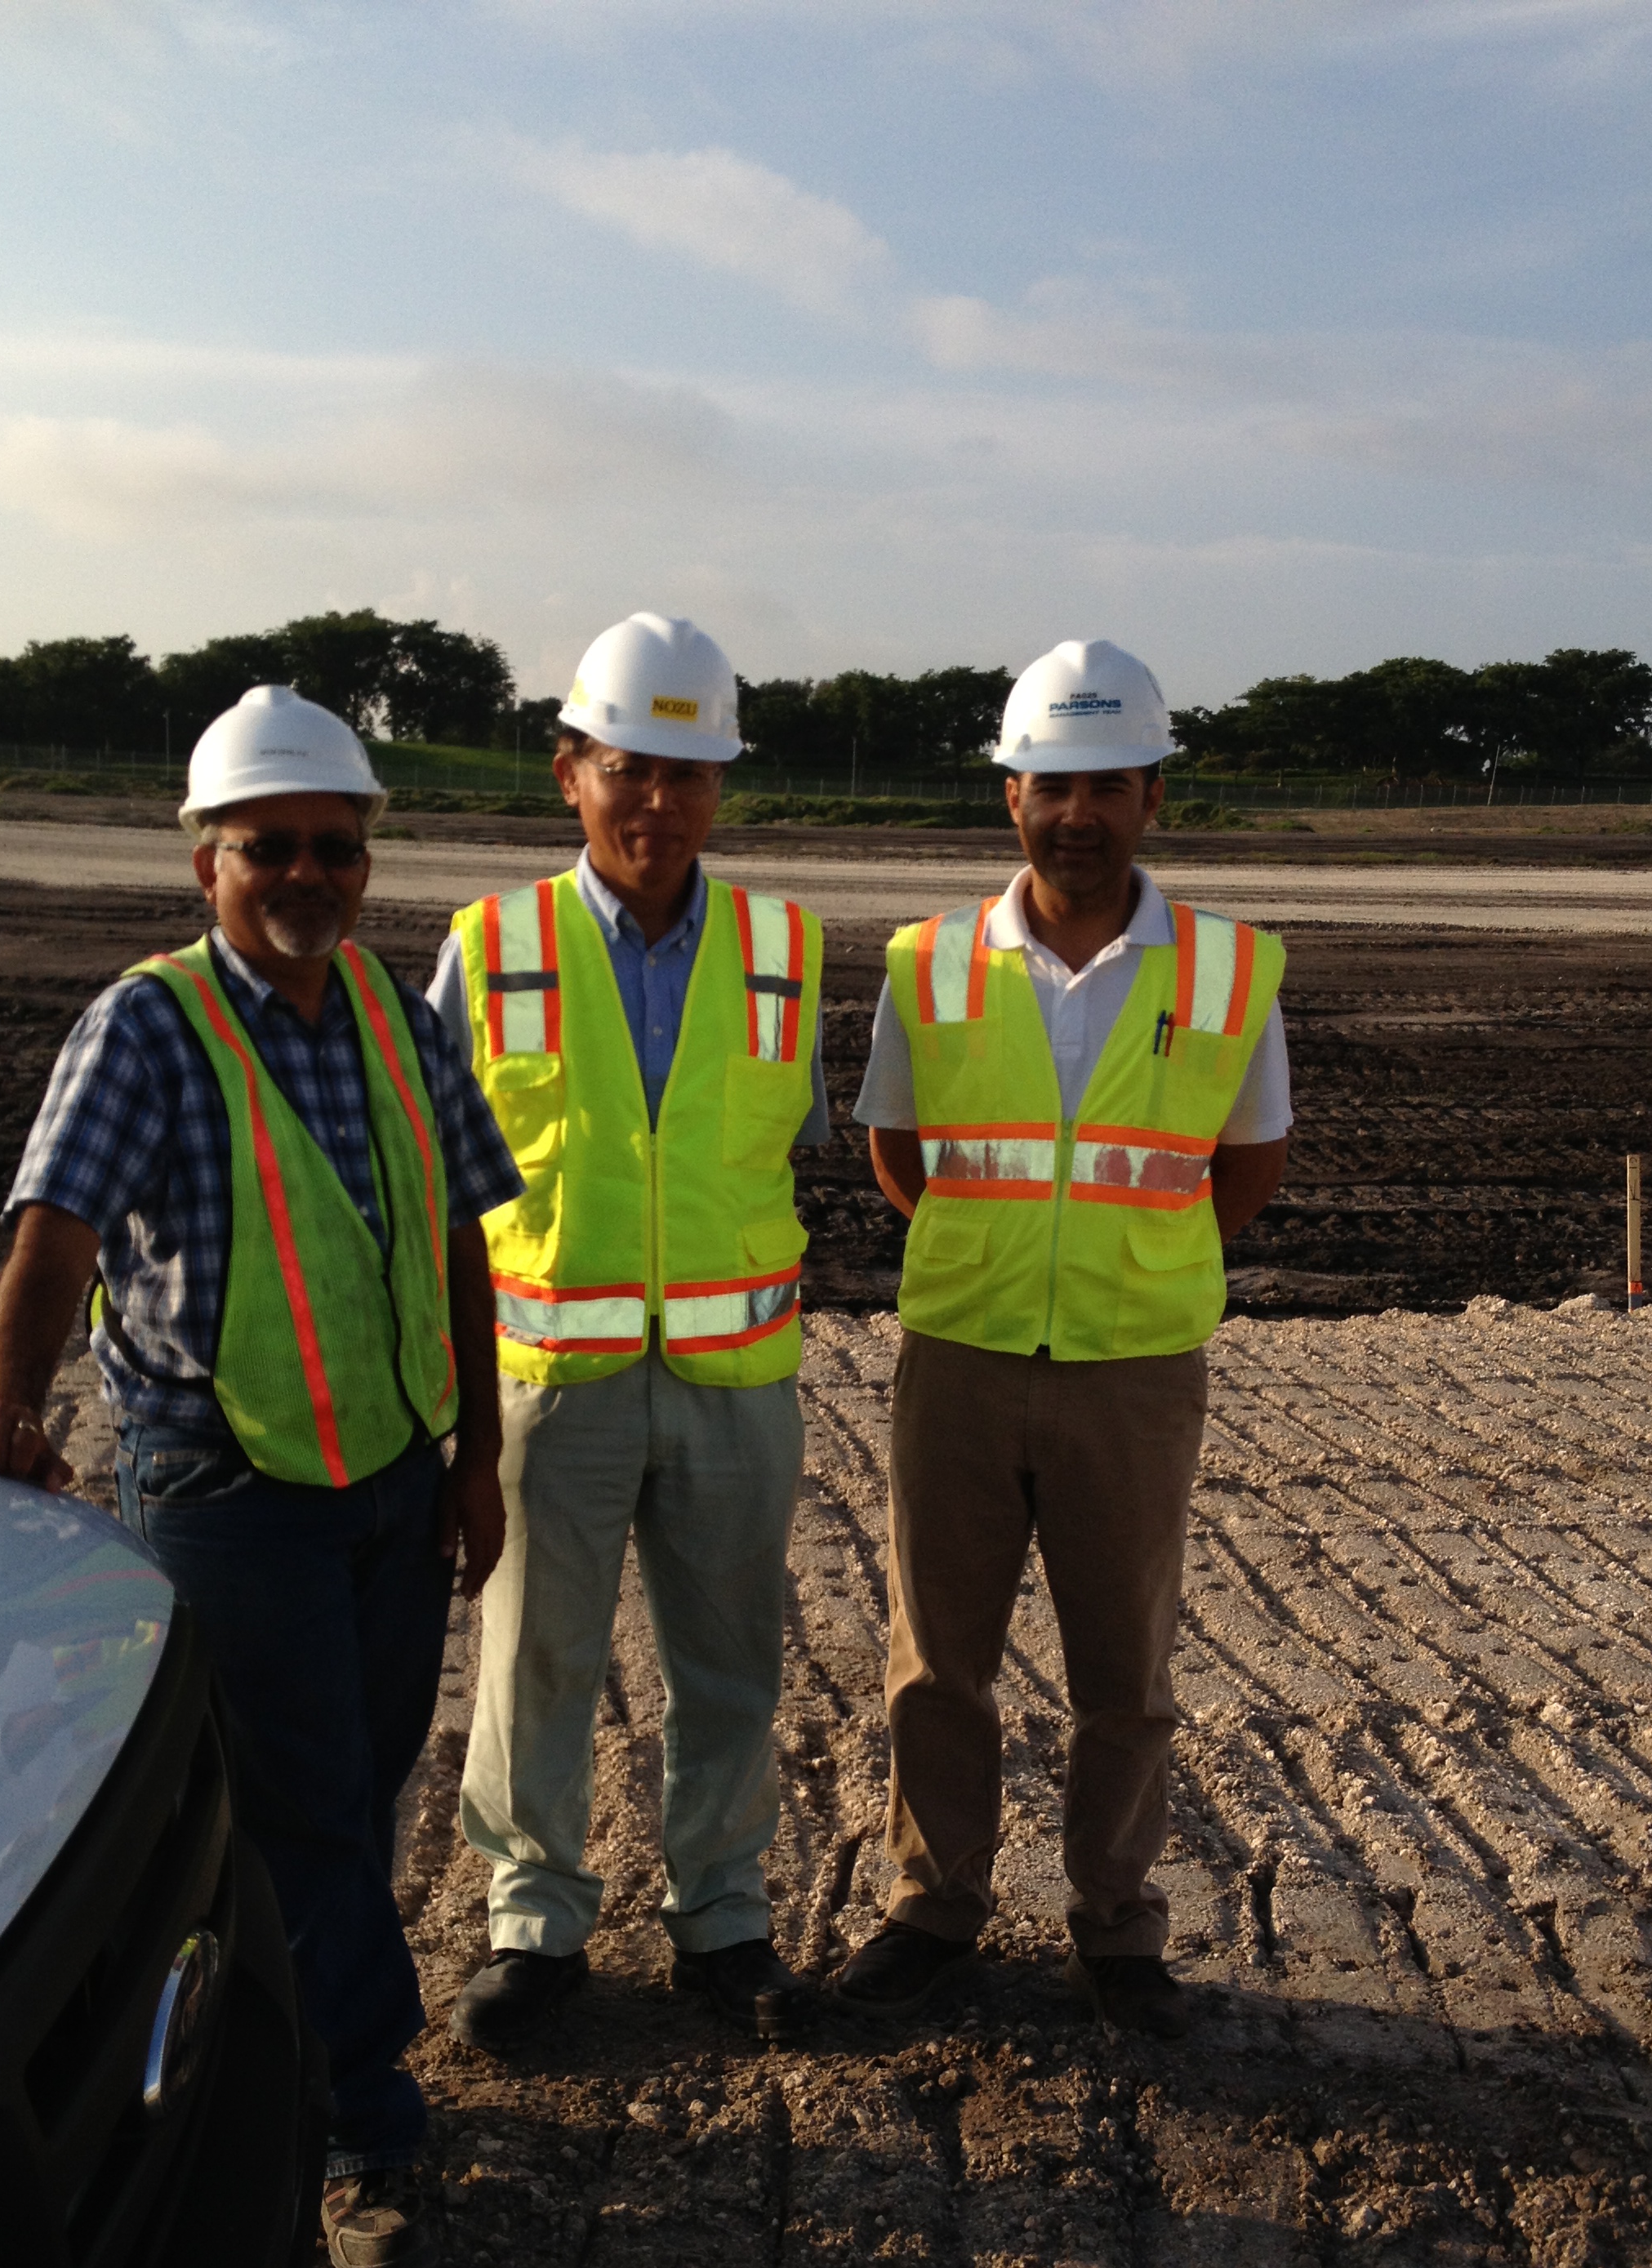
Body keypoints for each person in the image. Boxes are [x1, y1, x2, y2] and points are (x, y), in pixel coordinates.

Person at [0, 684, 521, 2268]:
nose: (311, 874)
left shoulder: (398, 1018)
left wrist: (475, 1458)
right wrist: (4, 1407)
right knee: (305, 1803)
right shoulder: (150, 1026)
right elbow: (53, 1236)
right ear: (208, 862)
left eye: (338, 847)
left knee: (360, 1780)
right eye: (273, 847)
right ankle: (359, 2125)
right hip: (227, 1481)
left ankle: (248, 2052)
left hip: (394, 1477)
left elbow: (465, 1233)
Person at [835, 639, 1291, 2033]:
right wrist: (994, 1256)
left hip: (1135, 1371)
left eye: (1107, 785)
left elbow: (1246, 1169)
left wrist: (1119, 1266)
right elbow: (896, 1154)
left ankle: (1116, 1926)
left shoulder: (1229, 970)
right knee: (936, 1661)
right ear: (1012, 798)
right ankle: (933, 1910)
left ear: (1153, 795)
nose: (1076, 812)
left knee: (1125, 1673)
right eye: (1051, 785)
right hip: (962, 1359)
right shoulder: (929, 963)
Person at [425, 613, 827, 2051]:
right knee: (536, 1656)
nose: (659, 801)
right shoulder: (490, 946)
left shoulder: (788, 953)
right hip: (554, 1381)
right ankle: (534, 1927)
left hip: (733, 1385)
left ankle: (724, 1924)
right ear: (570, 773)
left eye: (689, 772)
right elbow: (434, 1191)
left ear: (722, 786)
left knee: (730, 1667)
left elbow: (800, 1150)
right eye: (630, 767)